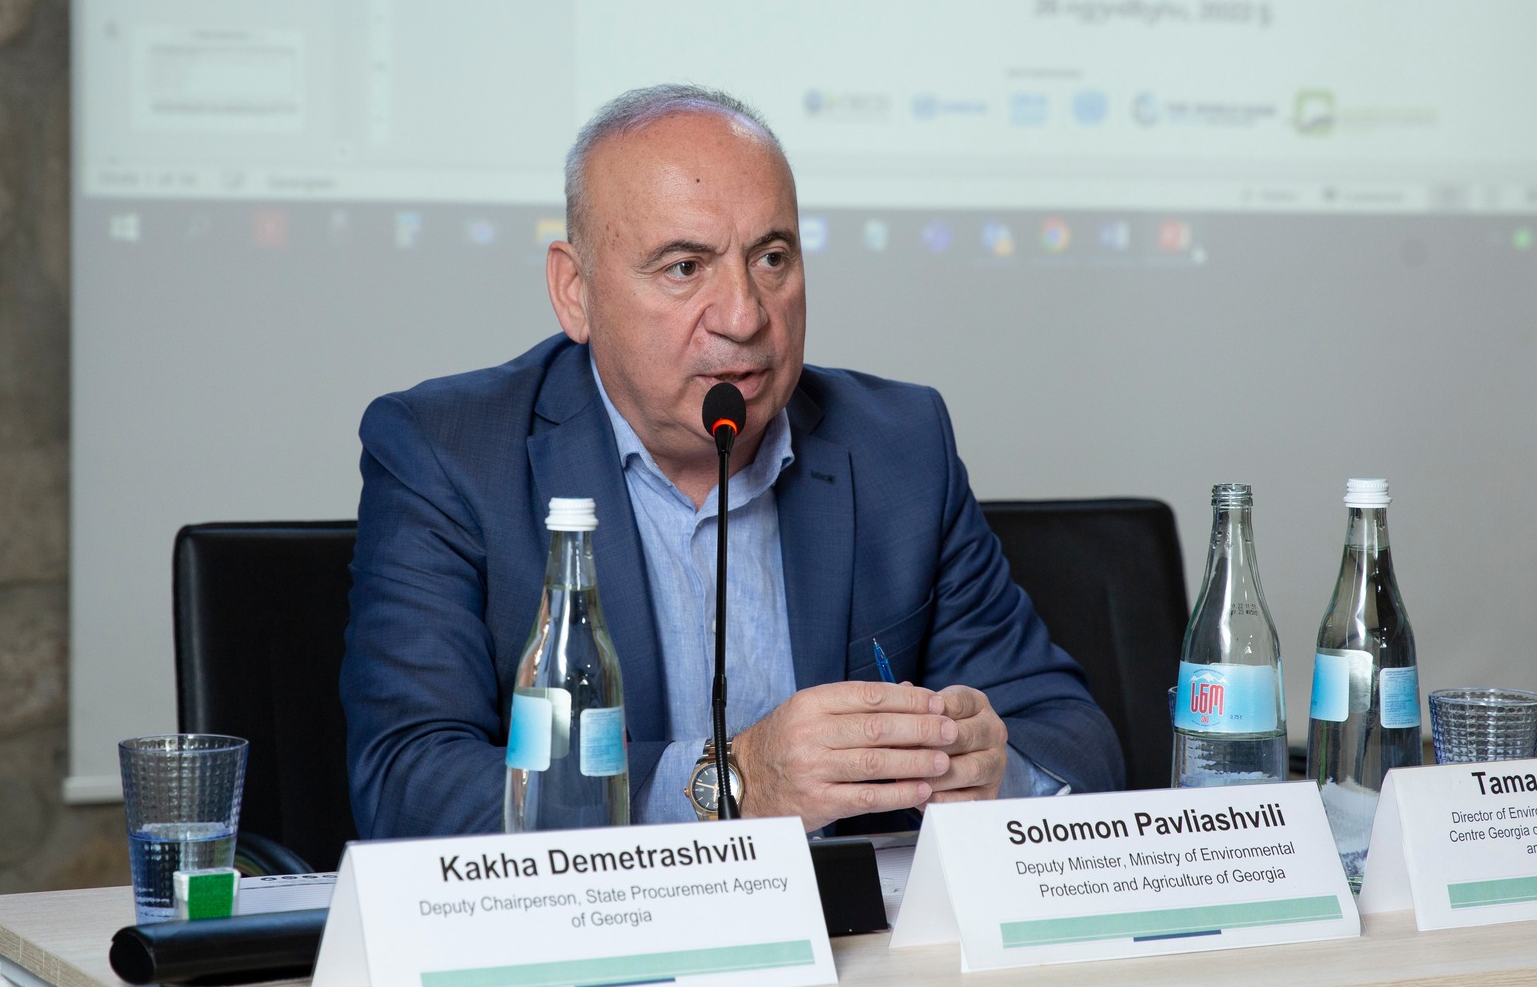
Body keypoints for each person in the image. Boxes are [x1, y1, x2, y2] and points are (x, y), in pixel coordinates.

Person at [344, 85, 1122, 837]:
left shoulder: (900, 445)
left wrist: (991, 770)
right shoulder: (447, 455)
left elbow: (1071, 740)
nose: (746, 316)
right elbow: (409, 783)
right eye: (684, 267)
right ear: (574, 290)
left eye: (772, 257)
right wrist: (731, 781)